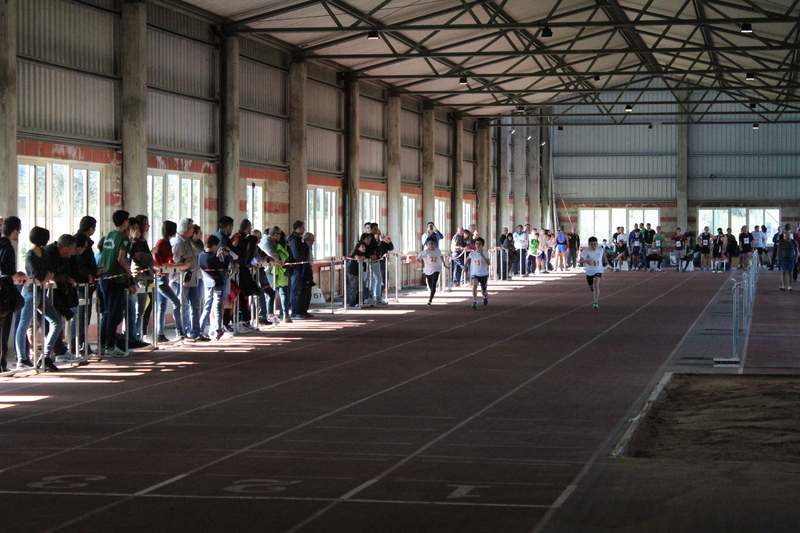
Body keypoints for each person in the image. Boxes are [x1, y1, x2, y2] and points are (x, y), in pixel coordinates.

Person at [15, 227, 61, 371]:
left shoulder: (45, 254)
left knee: (56, 321)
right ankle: (22, 358)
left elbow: (50, 272)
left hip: (41, 292)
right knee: (24, 324)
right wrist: (46, 276)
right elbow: (39, 276)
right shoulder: (30, 255)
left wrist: (45, 277)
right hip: (30, 293)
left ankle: (45, 355)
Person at [99, 210, 135, 357]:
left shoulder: (108, 235)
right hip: (116, 278)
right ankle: (110, 345)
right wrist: (128, 272)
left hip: (105, 277)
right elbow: (121, 258)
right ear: (126, 221)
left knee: (107, 312)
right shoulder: (124, 239)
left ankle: (103, 344)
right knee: (114, 313)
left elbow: (103, 256)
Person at [152, 220, 187, 343]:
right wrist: (179, 266)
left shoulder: (167, 244)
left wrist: (180, 265)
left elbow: (170, 262)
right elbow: (164, 263)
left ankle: (160, 333)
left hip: (165, 277)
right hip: (161, 277)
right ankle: (179, 329)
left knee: (162, 306)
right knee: (176, 302)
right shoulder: (161, 243)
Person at [0, 217, 27, 372]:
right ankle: (2, 363)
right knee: (4, 329)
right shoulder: (7, 246)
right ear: (15, 230)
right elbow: (9, 272)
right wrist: (19, 275)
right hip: (4, 294)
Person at [172, 217, 201, 342]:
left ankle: (195, 331)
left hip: (193, 278)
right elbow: (174, 260)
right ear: (187, 228)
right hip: (181, 279)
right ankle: (183, 330)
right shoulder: (178, 243)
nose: (193, 229)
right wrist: (183, 263)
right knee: (183, 306)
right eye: (192, 226)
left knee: (195, 305)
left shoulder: (189, 241)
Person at [199, 234, 230, 340]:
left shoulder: (201, 256)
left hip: (207, 282)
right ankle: (218, 329)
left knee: (207, 306)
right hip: (217, 283)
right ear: (213, 246)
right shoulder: (213, 258)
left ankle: (200, 329)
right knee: (217, 306)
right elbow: (224, 267)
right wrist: (226, 256)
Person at [579, 237, 607, 309]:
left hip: (598, 270)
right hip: (589, 272)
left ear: (597, 244)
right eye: (591, 245)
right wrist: (585, 261)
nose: (593, 246)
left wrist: (606, 261)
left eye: (595, 244)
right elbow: (579, 260)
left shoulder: (600, 249)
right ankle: (595, 294)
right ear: (589, 245)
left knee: (596, 284)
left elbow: (603, 253)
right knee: (592, 288)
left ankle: (595, 302)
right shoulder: (586, 251)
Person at [287, 220, 308, 318]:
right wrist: (301, 261)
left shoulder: (298, 239)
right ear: (298, 228)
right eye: (303, 227)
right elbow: (296, 255)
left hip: (299, 267)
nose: (304, 229)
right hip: (296, 267)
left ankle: (299, 310)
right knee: (294, 289)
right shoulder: (294, 240)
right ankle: (295, 311)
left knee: (299, 289)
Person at [417, 237, 442, 306]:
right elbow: (418, 258)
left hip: (436, 269)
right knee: (430, 284)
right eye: (429, 244)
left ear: (435, 244)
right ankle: (432, 292)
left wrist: (444, 265)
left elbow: (441, 256)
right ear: (427, 244)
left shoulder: (438, 251)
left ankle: (430, 300)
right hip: (428, 270)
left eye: (432, 243)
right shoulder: (425, 252)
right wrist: (420, 265)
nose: (430, 245)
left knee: (434, 282)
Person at [467, 237, 490, 309]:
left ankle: (485, 296)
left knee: (483, 291)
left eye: (479, 244)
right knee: (474, 285)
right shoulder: (473, 253)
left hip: (483, 274)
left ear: (482, 245)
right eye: (476, 244)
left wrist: (483, 256)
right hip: (475, 273)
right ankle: (475, 301)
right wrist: (465, 266)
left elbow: (488, 263)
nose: (477, 245)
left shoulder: (486, 253)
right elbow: (467, 258)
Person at [346, 241, 368, 307]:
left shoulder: (364, 254)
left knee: (361, 286)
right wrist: (363, 258)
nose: (364, 248)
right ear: (358, 248)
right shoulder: (355, 253)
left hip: (360, 272)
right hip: (352, 271)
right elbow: (357, 257)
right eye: (362, 247)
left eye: (364, 247)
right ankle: (351, 302)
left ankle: (359, 300)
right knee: (353, 286)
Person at [778, 224, 798, 291]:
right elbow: (779, 251)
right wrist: (778, 259)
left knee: (790, 273)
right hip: (783, 259)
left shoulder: (793, 242)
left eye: (789, 235)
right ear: (784, 236)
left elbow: (797, 249)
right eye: (786, 235)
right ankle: (783, 285)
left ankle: (790, 286)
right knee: (783, 272)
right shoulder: (781, 242)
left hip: (791, 259)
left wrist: (796, 257)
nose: (788, 236)